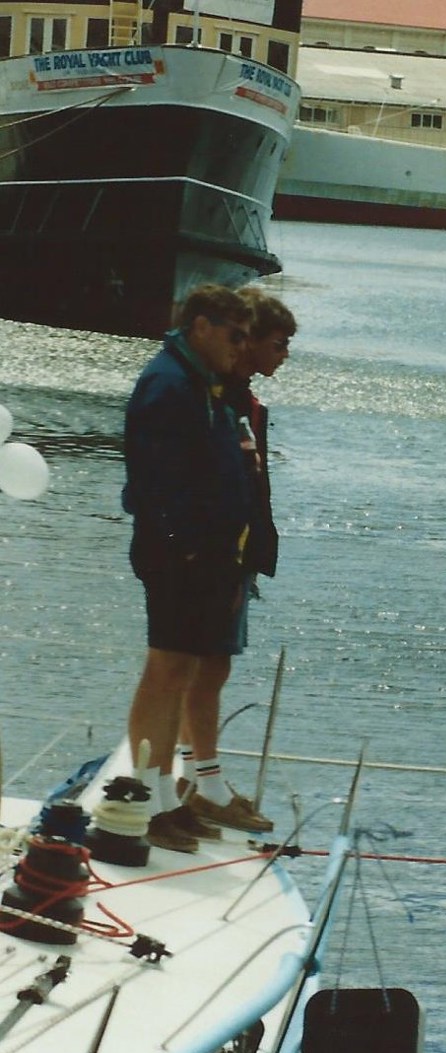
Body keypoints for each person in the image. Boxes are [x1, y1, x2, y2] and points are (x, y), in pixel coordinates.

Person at [122, 285, 254, 853]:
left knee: (180, 671)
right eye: (234, 335)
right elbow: (154, 479)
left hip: (200, 553)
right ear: (202, 326)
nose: (240, 346)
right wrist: (186, 546)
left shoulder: (198, 381)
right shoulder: (169, 383)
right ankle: (144, 801)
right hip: (176, 553)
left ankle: (165, 799)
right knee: (164, 670)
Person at [176, 287, 297, 833]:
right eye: (278, 343)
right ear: (248, 341)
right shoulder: (220, 400)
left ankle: (195, 777)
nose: (284, 355)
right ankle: (203, 782)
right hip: (219, 553)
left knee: (210, 664)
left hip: (238, 550)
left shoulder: (243, 403)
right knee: (207, 665)